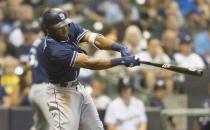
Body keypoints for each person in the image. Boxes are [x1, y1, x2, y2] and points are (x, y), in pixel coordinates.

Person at [41, 8, 140, 130]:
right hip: (61, 93)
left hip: (77, 87)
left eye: (65, 24)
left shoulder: (68, 27)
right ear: (49, 30)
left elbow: (94, 38)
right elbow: (90, 63)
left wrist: (120, 48)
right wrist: (121, 61)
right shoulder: (53, 48)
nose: (65, 29)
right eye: (59, 27)